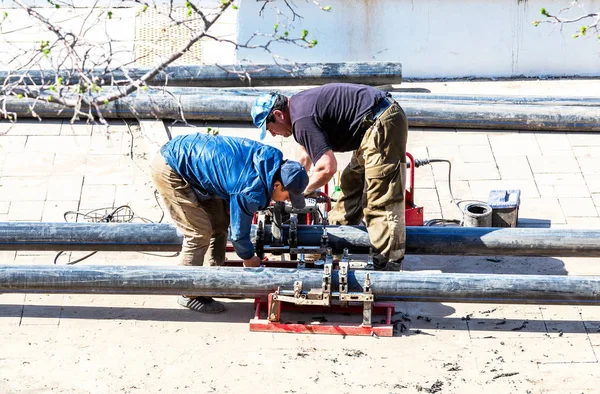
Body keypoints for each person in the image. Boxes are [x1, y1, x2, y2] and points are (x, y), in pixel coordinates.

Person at [251, 83, 408, 271]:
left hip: (381, 122)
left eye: (270, 128)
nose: (273, 134)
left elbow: (327, 168)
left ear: (278, 115)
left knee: (380, 197)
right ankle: (336, 238)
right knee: (351, 181)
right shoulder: (298, 109)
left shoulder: (302, 120)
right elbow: (303, 158)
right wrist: (289, 186)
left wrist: (301, 192)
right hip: (370, 125)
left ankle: (387, 264)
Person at [151, 133, 309, 313]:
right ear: (277, 185)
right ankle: (188, 293)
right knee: (198, 233)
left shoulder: (272, 161)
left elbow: (232, 174)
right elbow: (238, 234)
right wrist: (249, 258)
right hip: (171, 167)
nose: (287, 200)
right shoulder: (251, 188)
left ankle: (216, 280)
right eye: (288, 195)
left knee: (220, 222)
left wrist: (230, 203)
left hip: (192, 157)